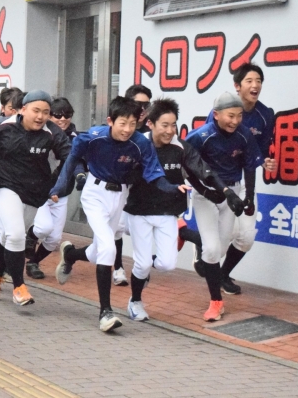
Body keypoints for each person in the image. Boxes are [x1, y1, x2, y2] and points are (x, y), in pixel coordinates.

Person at [50, 96, 188, 332]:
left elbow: (154, 174)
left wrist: (173, 188)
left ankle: (70, 254)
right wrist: (60, 187)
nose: (127, 129)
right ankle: (105, 312)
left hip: (120, 196)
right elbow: (72, 158)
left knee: (99, 251)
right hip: (95, 194)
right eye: (122, 123)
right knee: (108, 246)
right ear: (110, 121)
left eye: (132, 124)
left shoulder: (140, 143)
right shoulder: (94, 136)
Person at [123, 99, 242, 322]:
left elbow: (203, 171)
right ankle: (135, 301)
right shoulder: (137, 145)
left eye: (173, 125)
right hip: (138, 211)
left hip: (167, 212)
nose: (170, 131)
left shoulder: (180, 147)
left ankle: (143, 270)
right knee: (142, 262)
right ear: (150, 124)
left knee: (167, 264)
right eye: (164, 125)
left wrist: (226, 191)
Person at [0, 90, 70, 307]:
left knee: (10, 238)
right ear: (23, 109)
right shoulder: (4, 127)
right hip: (5, 186)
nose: (40, 117)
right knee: (16, 235)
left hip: (34, 191)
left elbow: (70, 157)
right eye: (36, 111)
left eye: (46, 112)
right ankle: (19, 287)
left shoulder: (52, 132)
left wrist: (56, 183)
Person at [200, 63, 277, 295]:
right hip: (219, 182)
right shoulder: (221, 110)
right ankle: (204, 254)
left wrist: (264, 161)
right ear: (237, 86)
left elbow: (259, 151)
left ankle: (223, 275)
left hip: (242, 182)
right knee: (221, 241)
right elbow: (205, 146)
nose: (255, 86)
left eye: (259, 81)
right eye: (249, 81)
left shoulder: (265, 115)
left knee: (247, 237)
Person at [186, 92, 263, 321]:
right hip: (206, 195)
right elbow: (187, 168)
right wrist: (204, 191)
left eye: (239, 116)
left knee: (219, 249)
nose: (235, 121)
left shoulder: (244, 135)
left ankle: (198, 244)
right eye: (230, 115)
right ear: (216, 114)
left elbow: (249, 166)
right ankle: (216, 303)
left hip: (232, 194)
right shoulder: (200, 136)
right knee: (212, 251)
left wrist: (249, 197)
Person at [23, 97, 80, 279]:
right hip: (38, 191)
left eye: (67, 114)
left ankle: (33, 263)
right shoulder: (38, 134)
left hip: (61, 194)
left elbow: (75, 162)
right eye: (57, 115)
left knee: (54, 238)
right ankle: (29, 237)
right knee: (43, 227)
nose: (63, 119)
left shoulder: (75, 138)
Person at [113, 83, 153, 286]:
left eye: (147, 105)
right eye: (139, 104)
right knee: (118, 228)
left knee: (144, 227)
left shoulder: (151, 130)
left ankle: (142, 269)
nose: (143, 110)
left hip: (142, 187)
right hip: (119, 186)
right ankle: (118, 267)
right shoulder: (116, 128)